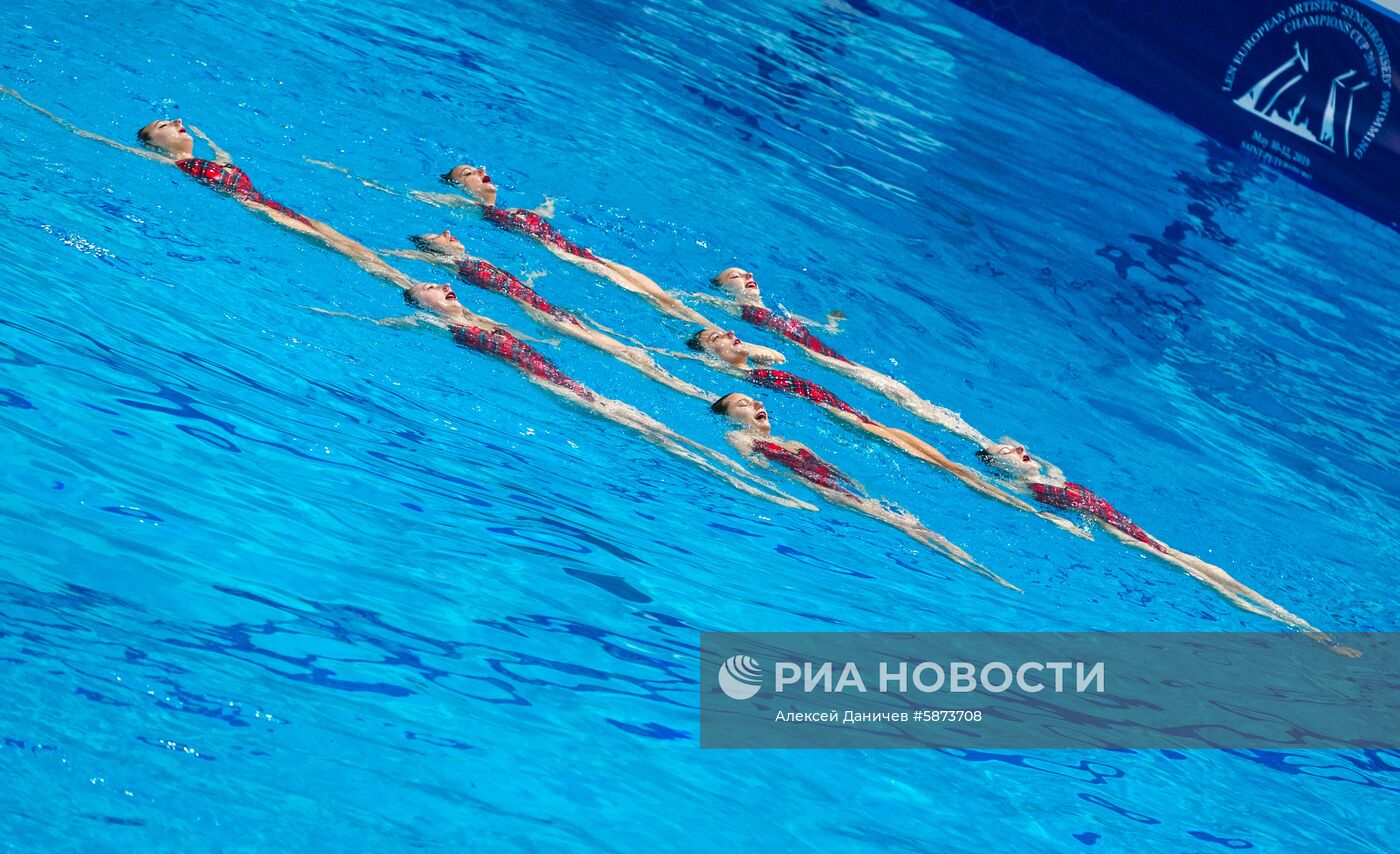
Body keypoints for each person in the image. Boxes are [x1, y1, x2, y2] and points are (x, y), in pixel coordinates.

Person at [350, 279, 815, 512]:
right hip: (554, 385)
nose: (443, 288)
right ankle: (746, 482)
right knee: (651, 432)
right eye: (430, 288)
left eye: (439, 283)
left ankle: (747, 481)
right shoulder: (442, 323)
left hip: (568, 382)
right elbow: (404, 317)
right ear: (421, 305)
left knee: (649, 426)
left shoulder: (471, 319)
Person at [305, 158, 782, 361]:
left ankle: (727, 346)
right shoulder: (463, 221)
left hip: (574, 256)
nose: (484, 175)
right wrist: (343, 176)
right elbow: (383, 248)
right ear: (458, 188)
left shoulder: (501, 221)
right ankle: (673, 352)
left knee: (657, 297)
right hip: (545, 282)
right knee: (613, 317)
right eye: (470, 173)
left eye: (482, 169)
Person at [688, 328, 1090, 539]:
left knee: (948, 461)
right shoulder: (726, 376)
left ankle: (1033, 506)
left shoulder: (746, 370)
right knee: (952, 469)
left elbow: (775, 354)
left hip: (860, 415)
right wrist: (712, 345)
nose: (726, 335)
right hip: (851, 422)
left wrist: (735, 344)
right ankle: (1043, 516)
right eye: (715, 337)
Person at [0, 87, 409, 288]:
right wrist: (22, 100)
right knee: (339, 250)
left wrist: (202, 132)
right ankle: (400, 286)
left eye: (173, 120)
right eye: (164, 125)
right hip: (258, 208)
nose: (174, 123)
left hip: (274, 202)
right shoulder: (171, 162)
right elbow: (85, 134)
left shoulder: (212, 160)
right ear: (154, 144)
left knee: (350, 241)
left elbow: (225, 154)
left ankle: (403, 278)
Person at [977, 442, 1360, 655]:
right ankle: (1304, 634)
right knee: (1205, 580)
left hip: (1141, 530)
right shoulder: (1022, 487)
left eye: (1018, 448)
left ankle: (1310, 628)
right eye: (1008, 453)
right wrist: (1061, 523)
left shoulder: (1049, 475)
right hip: (1119, 532)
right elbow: (1010, 499)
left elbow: (1034, 454)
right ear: (1002, 467)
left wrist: (1010, 449)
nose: (1018, 450)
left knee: (1221, 574)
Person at [711, 393, 1017, 590]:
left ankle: (975, 565)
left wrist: (853, 484)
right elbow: (758, 467)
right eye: (743, 405)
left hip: (838, 487)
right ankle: (979, 570)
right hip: (826, 491)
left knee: (908, 521)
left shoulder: (792, 442)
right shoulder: (738, 437)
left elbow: (830, 467)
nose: (757, 405)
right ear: (730, 417)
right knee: (901, 523)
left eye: (755, 402)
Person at [380, 230, 716, 399]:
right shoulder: (445, 269)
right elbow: (386, 270)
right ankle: (684, 387)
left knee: (628, 350)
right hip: (541, 323)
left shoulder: (466, 307)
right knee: (624, 355)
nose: (447, 235)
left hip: (545, 320)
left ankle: (681, 382)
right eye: (437, 237)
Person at [703, 267, 993, 446]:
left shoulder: (777, 311)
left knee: (901, 392)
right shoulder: (734, 309)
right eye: (735, 276)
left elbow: (808, 327)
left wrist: (831, 322)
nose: (748, 276)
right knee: (895, 392)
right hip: (821, 359)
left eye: (747, 273)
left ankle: (971, 435)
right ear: (724, 288)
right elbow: (706, 321)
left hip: (834, 355)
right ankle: (972, 437)